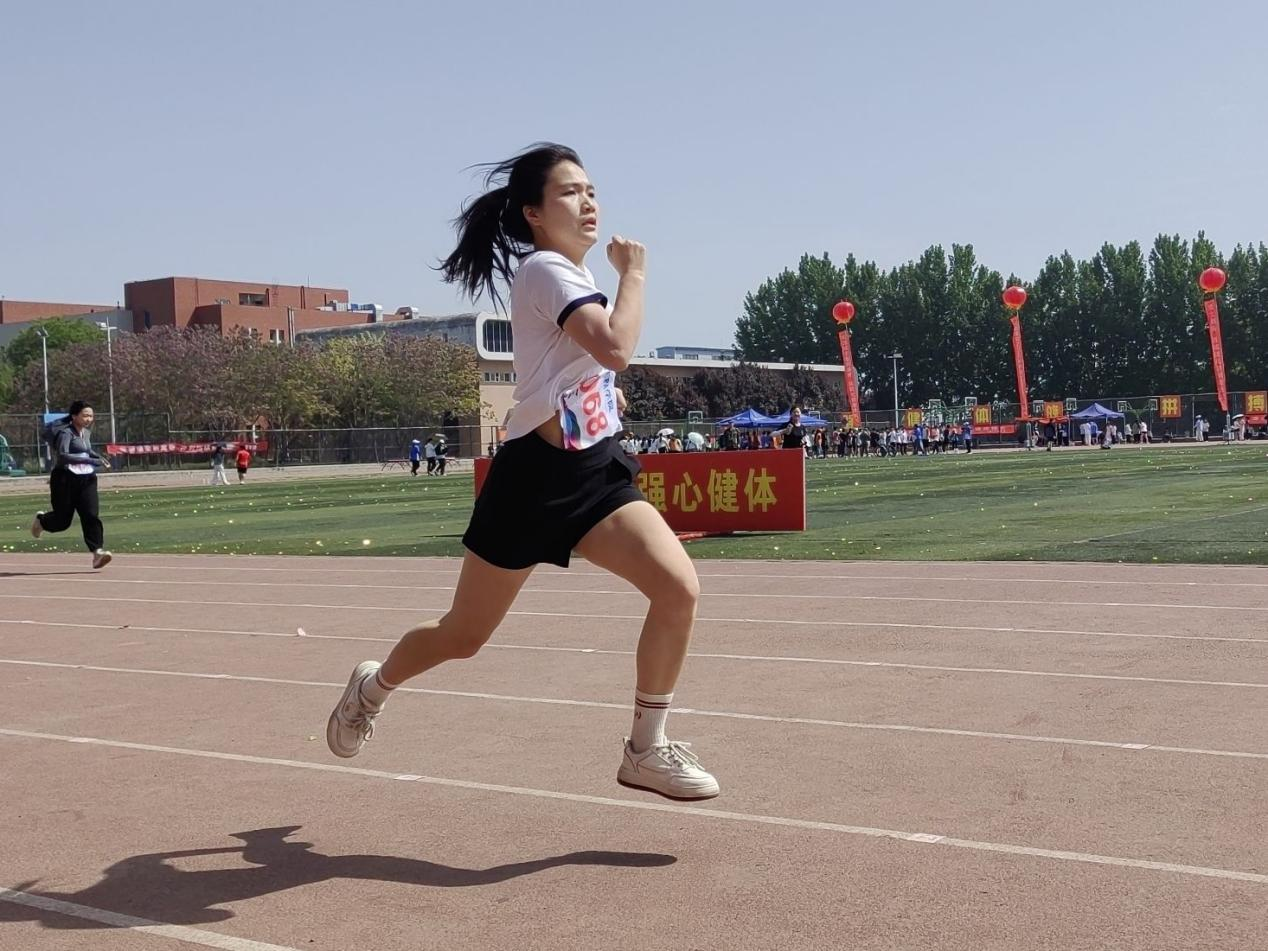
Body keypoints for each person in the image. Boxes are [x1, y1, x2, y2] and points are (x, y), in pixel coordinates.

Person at [325, 143, 718, 800]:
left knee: (678, 587)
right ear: (534, 212)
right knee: (463, 635)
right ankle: (372, 687)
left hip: (594, 470)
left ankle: (646, 749)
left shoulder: (570, 276)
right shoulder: (544, 269)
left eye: (591, 190)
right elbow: (616, 345)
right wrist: (635, 275)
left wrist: (600, 396)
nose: (588, 202)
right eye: (570, 191)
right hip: (531, 481)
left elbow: (581, 366)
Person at [31, 400, 113, 569]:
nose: (89, 419)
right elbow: (63, 456)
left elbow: (86, 450)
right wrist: (90, 460)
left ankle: (97, 552)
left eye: (91, 416)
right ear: (74, 416)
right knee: (62, 521)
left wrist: (99, 458)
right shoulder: (66, 433)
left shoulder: (86, 433)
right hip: (65, 479)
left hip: (87, 479)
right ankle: (42, 521)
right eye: (85, 415)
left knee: (91, 515)